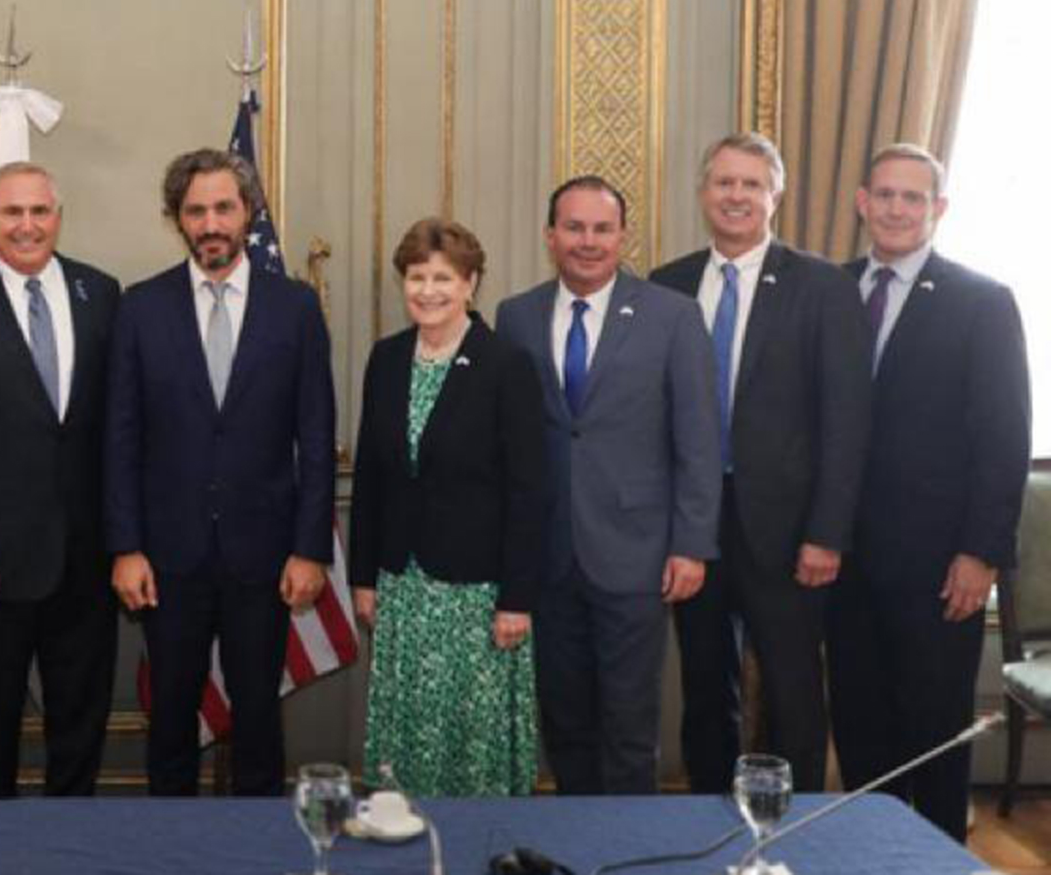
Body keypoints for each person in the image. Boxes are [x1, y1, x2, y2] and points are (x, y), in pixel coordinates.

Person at [105, 147, 336, 797]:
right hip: (166, 558)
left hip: (263, 558)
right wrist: (125, 547)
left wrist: (310, 548)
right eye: (196, 210)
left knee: (259, 719)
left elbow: (316, 437)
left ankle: (259, 854)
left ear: (248, 213)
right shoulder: (140, 308)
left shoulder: (294, 308)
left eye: (224, 208)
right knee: (172, 718)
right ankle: (172, 854)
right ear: (177, 219)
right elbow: (120, 439)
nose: (211, 223)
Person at [649, 133, 872, 795]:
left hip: (788, 533)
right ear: (703, 193)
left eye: (752, 184)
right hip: (695, 528)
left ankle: (797, 826)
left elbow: (846, 421)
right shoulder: (669, 284)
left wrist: (827, 533)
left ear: (777, 195)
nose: (737, 195)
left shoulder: (823, 286)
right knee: (703, 684)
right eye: (724, 182)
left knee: (793, 686)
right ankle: (711, 818)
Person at [828, 143, 1029, 841]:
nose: (896, 209)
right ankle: (863, 852)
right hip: (843, 559)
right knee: (858, 725)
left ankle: (937, 859)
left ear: (937, 209)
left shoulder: (982, 301)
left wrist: (982, 553)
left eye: (913, 197)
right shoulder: (831, 290)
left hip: (941, 567)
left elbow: (1004, 439)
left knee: (934, 730)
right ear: (861, 202)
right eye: (884, 194)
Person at [494, 176, 720, 795]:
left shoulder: (672, 316)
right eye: (574, 228)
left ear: (622, 236)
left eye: (601, 229)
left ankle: (625, 853)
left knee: (628, 724)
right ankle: (576, 845)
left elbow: (699, 440)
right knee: (564, 722)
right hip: (549, 556)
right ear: (550, 236)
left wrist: (692, 543)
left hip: (638, 554)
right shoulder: (515, 316)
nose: (587, 242)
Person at [0, 161, 120, 797]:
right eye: (12, 212)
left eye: (39, 211)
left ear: (58, 218)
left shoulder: (103, 294)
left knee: (80, 725)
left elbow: (121, 429)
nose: (27, 226)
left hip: (87, 558)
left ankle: (72, 849)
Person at [350, 217, 546, 796]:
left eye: (443, 277)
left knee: (469, 739)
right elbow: (371, 479)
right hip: (402, 591)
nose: (428, 290)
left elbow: (529, 491)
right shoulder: (386, 359)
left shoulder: (506, 364)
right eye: (416, 277)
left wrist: (517, 598)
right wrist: (363, 576)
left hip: (479, 597)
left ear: (471, 283)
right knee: (407, 735)